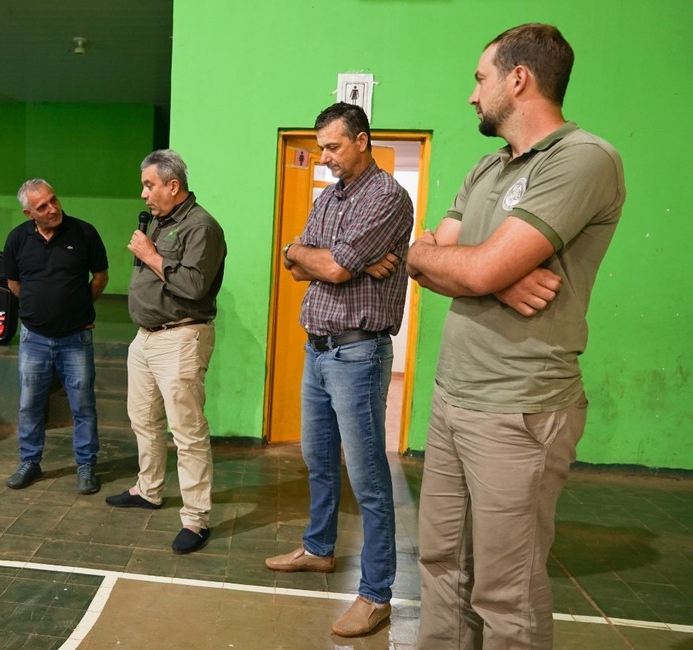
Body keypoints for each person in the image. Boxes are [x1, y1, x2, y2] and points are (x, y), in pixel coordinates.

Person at [406, 24, 625, 649]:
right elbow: (422, 255)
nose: (473, 96)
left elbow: (453, 262)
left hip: (520, 408)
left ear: (518, 79)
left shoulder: (584, 159)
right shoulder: (487, 166)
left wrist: (473, 269)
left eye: (481, 79)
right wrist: (490, 278)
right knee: (442, 568)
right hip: (454, 398)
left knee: (506, 592)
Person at [264, 102, 413, 637]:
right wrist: (312, 254)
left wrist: (325, 260)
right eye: (321, 146)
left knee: (369, 478)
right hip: (318, 348)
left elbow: (326, 265)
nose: (323, 157)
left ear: (363, 140)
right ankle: (318, 548)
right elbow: (296, 264)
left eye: (333, 146)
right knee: (318, 458)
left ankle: (376, 594)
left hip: (358, 352)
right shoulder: (329, 197)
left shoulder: (388, 198)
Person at [105, 149, 226, 556]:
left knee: (187, 433)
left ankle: (195, 518)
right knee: (143, 419)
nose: (144, 194)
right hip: (146, 338)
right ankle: (149, 489)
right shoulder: (158, 222)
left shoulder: (202, 227)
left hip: (180, 337)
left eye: (149, 185)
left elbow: (193, 286)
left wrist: (151, 256)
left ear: (173, 186)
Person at [2, 179, 110, 495]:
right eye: (43, 207)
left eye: (54, 200)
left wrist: (76, 306)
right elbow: (13, 283)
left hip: (75, 338)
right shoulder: (17, 240)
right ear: (28, 213)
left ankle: (86, 465)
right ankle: (30, 462)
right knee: (30, 404)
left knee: (83, 405)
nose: (53, 209)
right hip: (33, 338)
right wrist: (39, 310)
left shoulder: (84, 233)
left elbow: (101, 277)